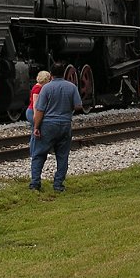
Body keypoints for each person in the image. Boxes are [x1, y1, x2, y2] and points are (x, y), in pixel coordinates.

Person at [30, 62, 83, 192]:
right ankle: (58, 185)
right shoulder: (71, 87)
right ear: (64, 72)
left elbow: (40, 109)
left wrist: (36, 127)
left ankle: (35, 183)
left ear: (51, 74)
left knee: (39, 154)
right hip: (65, 124)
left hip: (48, 125)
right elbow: (78, 106)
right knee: (62, 156)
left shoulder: (46, 88)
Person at [27, 70, 51, 156]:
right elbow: (35, 103)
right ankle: (36, 152)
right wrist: (36, 116)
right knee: (37, 132)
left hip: (33, 111)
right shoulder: (38, 88)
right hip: (33, 112)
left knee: (34, 132)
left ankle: (34, 152)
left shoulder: (39, 87)